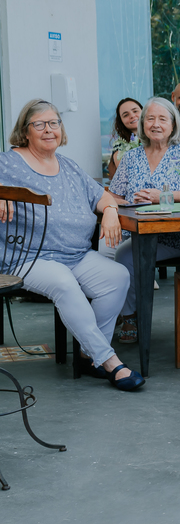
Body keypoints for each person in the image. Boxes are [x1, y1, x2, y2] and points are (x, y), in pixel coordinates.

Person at [0, 100, 145, 391]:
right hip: (28, 257)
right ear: (25, 132)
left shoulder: (68, 166)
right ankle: (108, 360)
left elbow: (103, 197)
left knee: (117, 277)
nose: (49, 130)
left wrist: (112, 212)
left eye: (54, 123)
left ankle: (87, 353)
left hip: (76, 254)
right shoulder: (8, 162)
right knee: (65, 284)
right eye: (39, 124)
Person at [109, 97, 180, 343]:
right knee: (124, 254)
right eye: (150, 118)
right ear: (142, 124)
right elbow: (113, 194)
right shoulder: (132, 157)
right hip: (142, 233)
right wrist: (123, 204)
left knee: (128, 255)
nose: (155, 124)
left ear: (173, 124)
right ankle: (130, 315)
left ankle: (132, 315)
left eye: (162, 119)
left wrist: (163, 196)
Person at [106, 97, 143, 181]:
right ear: (121, 121)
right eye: (126, 115)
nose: (132, 116)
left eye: (135, 111)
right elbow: (125, 172)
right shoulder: (120, 144)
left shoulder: (158, 138)